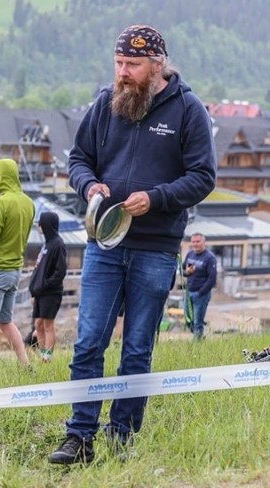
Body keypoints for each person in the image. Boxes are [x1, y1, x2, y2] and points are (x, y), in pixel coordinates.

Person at [49, 25, 216, 465]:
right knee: (88, 343)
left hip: (156, 248)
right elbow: (78, 159)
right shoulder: (106, 104)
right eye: (119, 63)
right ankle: (79, 436)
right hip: (104, 242)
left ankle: (122, 437)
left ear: (158, 65)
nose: (123, 73)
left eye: (133, 65)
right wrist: (89, 187)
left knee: (137, 348)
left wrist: (156, 198)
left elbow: (203, 177)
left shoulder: (189, 110)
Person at [0, 158, 35, 371]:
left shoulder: (0, 203)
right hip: (15, 269)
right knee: (6, 321)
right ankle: (25, 364)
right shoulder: (28, 202)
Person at [28, 211, 67, 363]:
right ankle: (43, 354)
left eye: (41, 223)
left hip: (50, 292)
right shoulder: (47, 244)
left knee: (48, 325)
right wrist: (35, 289)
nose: (39, 226)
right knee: (38, 324)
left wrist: (45, 285)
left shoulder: (58, 244)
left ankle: (47, 359)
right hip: (40, 293)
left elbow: (60, 271)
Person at [182, 232, 217, 340]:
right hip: (189, 292)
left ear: (204, 242)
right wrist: (187, 272)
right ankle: (199, 337)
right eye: (193, 242)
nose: (195, 244)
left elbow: (212, 279)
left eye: (198, 241)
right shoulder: (190, 254)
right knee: (188, 320)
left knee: (198, 322)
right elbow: (183, 271)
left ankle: (197, 344)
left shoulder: (210, 258)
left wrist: (201, 292)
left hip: (201, 294)